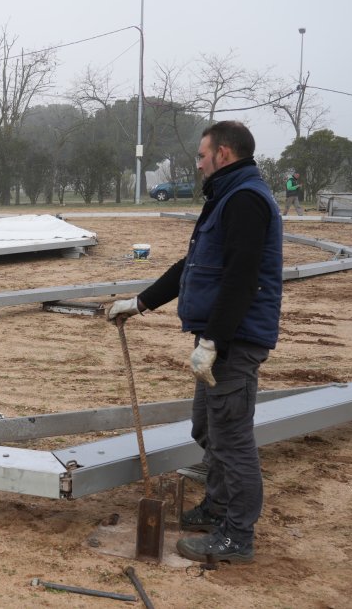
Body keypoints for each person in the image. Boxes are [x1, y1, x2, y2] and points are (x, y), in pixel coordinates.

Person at [108, 121, 282, 565]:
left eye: (203, 155)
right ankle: (217, 508)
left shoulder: (244, 200)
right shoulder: (226, 197)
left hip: (234, 341)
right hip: (222, 339)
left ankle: (237, 536)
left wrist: (213, 341)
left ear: (223, 153)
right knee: (206, 428)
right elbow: (194, 264)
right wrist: (141, 302)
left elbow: (241, 278)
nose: (199, 163)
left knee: (232, 439)